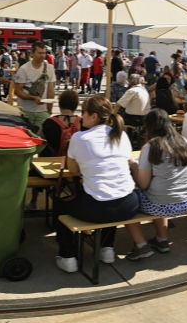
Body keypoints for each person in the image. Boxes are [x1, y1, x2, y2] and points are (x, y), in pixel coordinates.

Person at [54, 96, 140, 273]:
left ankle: (68, 256)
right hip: (129, 203)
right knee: (110, 195)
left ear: (93, 116)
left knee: (60, 206)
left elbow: (74, 170)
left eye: (83, 112)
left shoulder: (79, 138)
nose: (81, 116)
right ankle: (106, 248)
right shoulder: (121, 134)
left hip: (98, 207)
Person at [123, 109, 187, 260]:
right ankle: (161, 240)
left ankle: (141, 245)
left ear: (149, 127)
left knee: (124, 202)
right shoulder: (184, 141)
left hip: (161, 204)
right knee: (158, 192)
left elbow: (142, 184)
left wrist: (133, 165)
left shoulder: (151, 147)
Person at [13, 41, 57, 128]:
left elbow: (50, 90)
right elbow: (17, 91)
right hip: (26, 110)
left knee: (42, 138)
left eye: (44, 53)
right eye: (39, 53)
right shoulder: (24, 69)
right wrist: (33, 98)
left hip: (43, 111)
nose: (42, 55)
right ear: (32, 54)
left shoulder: (50, 68)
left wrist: (49, 110)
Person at [41, 90, 82, 157]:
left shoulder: (49, 123)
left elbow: (40, 145)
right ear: (76, 105)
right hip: (76, 163)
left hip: (50, 161)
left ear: (60, 105)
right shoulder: (83, 123)